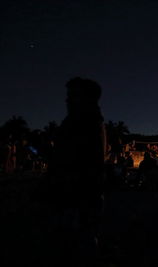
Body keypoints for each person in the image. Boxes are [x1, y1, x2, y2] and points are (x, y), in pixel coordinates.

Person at [48, 77, 107, 264]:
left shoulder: (85, 122)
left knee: (78, 240)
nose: (67, 100)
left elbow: (78, 158)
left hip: (79, 190)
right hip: (80, 189)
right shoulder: (85, 120)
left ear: (86, 98)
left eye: (72, 95)